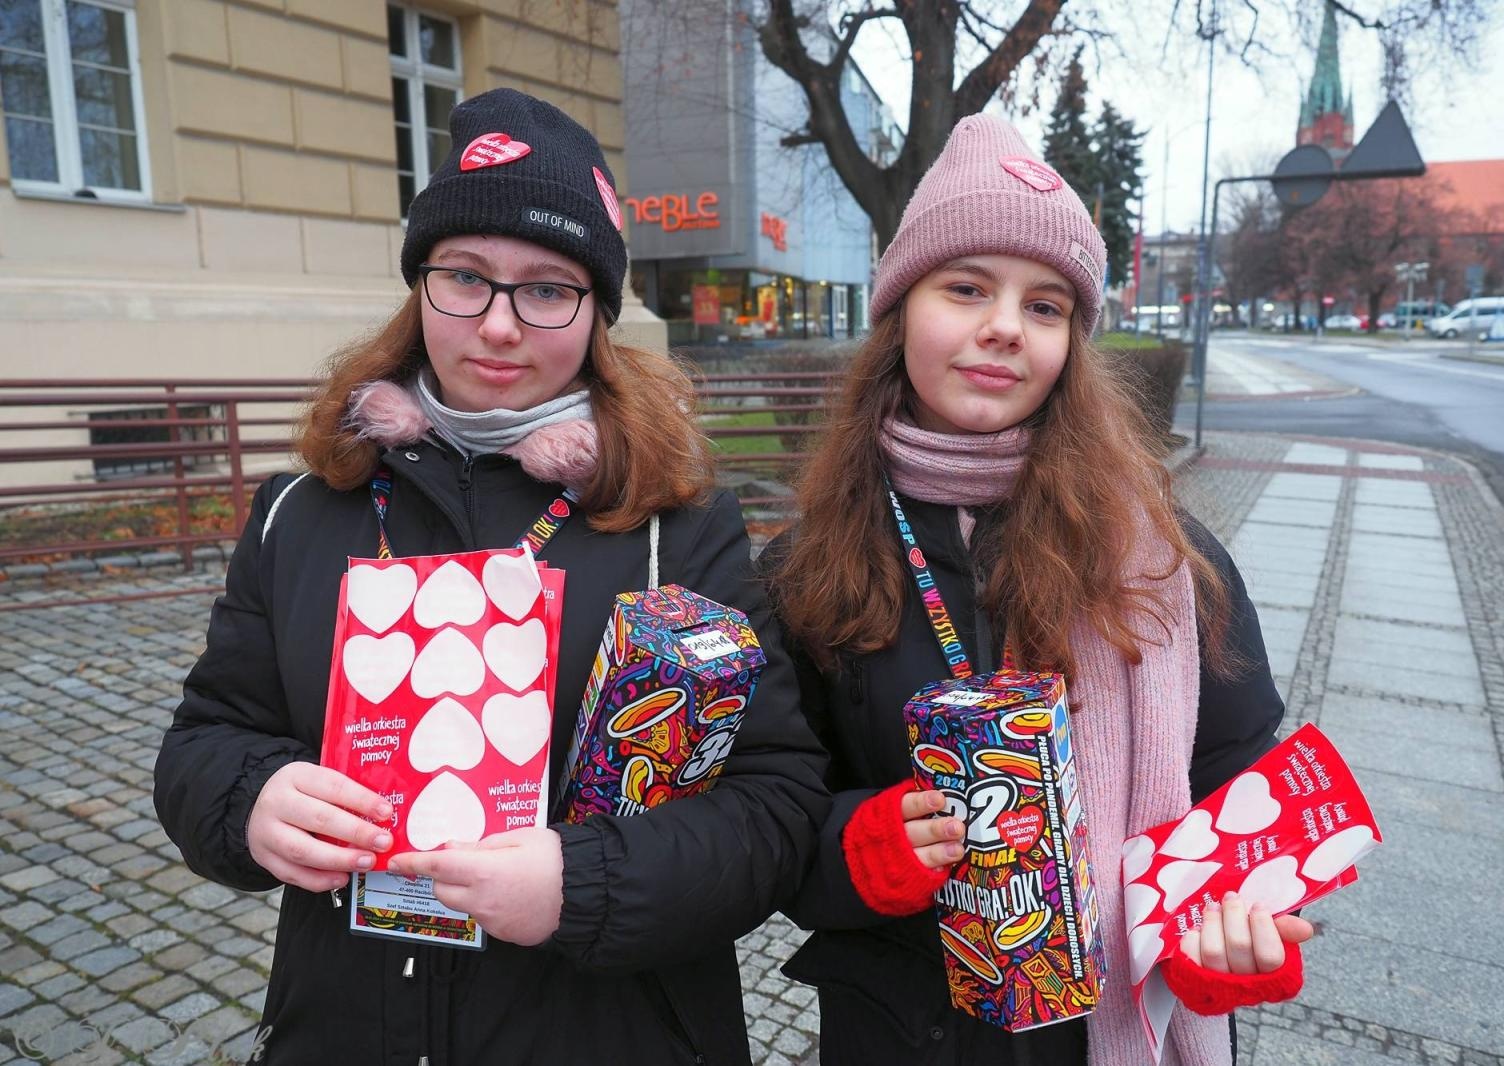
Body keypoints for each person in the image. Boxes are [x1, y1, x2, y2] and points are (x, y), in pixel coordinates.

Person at [154, 89, 827, 1065]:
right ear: (420, 285)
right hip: (349, 1026)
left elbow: (774, 802)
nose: (500, 325)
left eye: (548, 287)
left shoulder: (671, 526)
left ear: (596, 309)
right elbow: (204, 738)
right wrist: (249, 798)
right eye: (466, 277)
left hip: (611, 1030)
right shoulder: (305, 511)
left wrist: (585, 881)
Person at [761, 114, 1310, 1065]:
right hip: (905, 1032)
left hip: (1112, 1030)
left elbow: (1244, 793)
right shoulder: (812, 565)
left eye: (1046, 306)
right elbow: (768, 817)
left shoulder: (1170, 565)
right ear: (901, 312)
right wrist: (855, 850)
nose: (1005, 327)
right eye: (966, 287)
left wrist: (1236, 933)